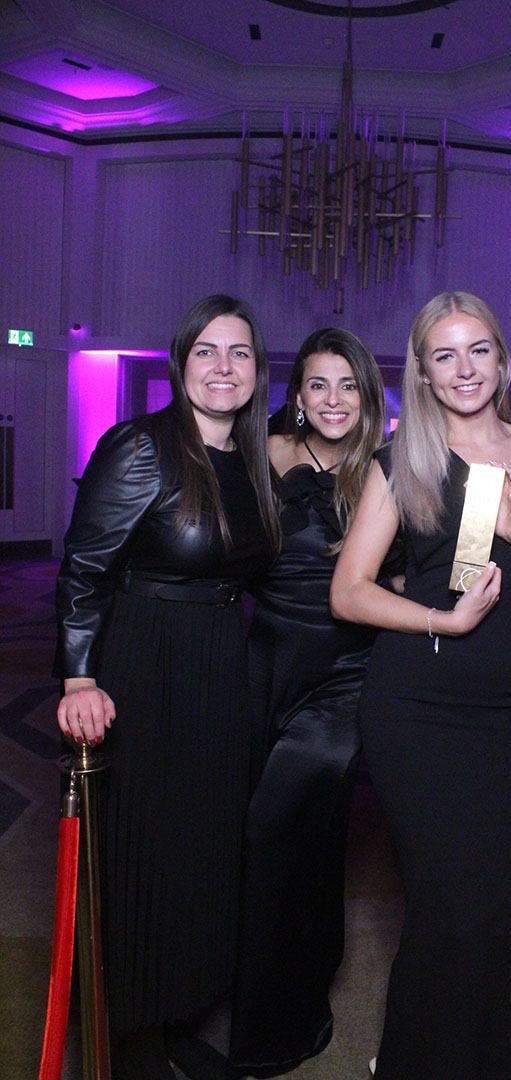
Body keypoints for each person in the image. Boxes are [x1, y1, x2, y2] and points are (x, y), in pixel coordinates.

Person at [330, 291, 511, 1080]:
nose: (464, 369)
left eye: (477, 350)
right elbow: (348, 592)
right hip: (416, 710)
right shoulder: (402, 459)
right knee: (448, 911)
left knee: (508, 911)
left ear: (501, 358)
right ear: (422, 371)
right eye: (443, 355)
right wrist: (442, 621)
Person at [54, 294, 279, 1080]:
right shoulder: (140, 448)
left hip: (218, 660)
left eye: (240, 352)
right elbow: (85, 569)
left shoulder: (250, 459)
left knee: (203, 849)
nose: (223, 367)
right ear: (181, 363)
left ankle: (179, 1011)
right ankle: (130, 1034)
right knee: (143, 851)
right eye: (207, 351)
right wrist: (79, 675)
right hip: (143, 661)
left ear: (257, 369)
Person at [228, 328, 387, 1077]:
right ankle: (306, 991)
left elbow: (408, 573)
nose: (333, 400)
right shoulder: (261, 454)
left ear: (368, 395)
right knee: (308, 846)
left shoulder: (386, 467)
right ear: (297, 395)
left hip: (344, 677)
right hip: (263, 666)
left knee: (270, 832)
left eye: (349, 385)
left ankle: (267, 1035)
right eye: (319, 384)